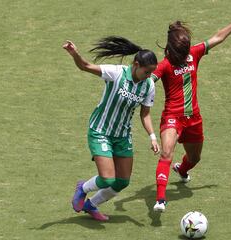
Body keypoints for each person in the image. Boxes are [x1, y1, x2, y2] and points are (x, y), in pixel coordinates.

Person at [151, 4, 231, 211]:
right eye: (181, 50)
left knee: (194, 158)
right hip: (172, 117)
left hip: (194, 118)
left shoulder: (194, 54)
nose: (184, 53)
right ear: (172, 48)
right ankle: (160, 199)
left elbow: (218, 37)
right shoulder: (164, 65)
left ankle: (181, 170)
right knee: (166, 153)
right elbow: (147, 80)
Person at [62, 36, 161, 221]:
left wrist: (153, 137)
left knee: (122, 181)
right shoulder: (116, 73)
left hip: (122, 136)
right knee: (107, 179)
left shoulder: (148, 86)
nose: (149, 76)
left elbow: (145, 114)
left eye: (151, 72)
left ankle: (92, 205)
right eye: (147, 71)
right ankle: (82, 188)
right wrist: (74, 53)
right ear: (136, 64)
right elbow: (85, 66)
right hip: (100, 131)